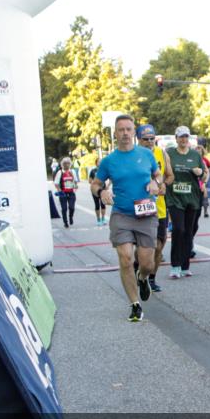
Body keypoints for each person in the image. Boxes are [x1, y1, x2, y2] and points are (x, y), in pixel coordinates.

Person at [88, 114, 165, 322]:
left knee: (148, 263)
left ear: (134, 132)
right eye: (121, 130)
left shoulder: (146, 155)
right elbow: (95, 184)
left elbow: (159, 177)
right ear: (115, 133)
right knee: (125, 258)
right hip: (121, 213)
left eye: (128, 129)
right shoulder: (108, 161)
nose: (125, 133)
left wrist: (156, 184)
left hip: (146, 212)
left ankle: (142, 277)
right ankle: (135, 304)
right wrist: (101, 192)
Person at [165, 126, 207, 279]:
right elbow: (163, 171)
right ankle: (175, 265)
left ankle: (185, 266)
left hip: (192, 198)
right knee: (178, 229)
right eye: (181, 137)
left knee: (189, 232)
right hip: (174, 198)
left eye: (186, 137)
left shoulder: (195, 155)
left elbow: (204, 176)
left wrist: (200, 172)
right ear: (176, 138)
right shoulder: (169, 153)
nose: (183, 140)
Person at [137, 124, 175, 291]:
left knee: (159, 245)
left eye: (153, 138)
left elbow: (170, 175)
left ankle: (151, 278)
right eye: (146, 139)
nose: (150, 142)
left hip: (159, 207)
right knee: (145, 245)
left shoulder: (161, 153)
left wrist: (165, 184)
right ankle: (140, 268)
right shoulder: (133, 155)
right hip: (140, 206)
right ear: (138, 140)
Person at [53, 157, 79, 228]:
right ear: (62, 164)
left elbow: (75, 181)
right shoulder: (60, 172)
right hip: (63, 193)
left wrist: (76, 185)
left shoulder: (72, 172)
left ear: (70, 164)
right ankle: (65, 222)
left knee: (72, 207)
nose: (66, 165)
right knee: (64, 209)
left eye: (68, 163)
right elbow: (56, 183)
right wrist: (59, 191)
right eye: (65, 163)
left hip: (71, 192)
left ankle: (70, 217)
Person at [89, 157, 106, 225]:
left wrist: (108, 185)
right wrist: (95, 183)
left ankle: (103, 219)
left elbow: (110, 178)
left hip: (103, 189)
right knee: (97, 205)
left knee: (103, 204)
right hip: (95, 191)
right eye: (99, 161)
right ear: (96, 163)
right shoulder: (93, 171)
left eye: (101, 161)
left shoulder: (104, 170)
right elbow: (89, 180)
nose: (100, 163)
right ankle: (98, 220)